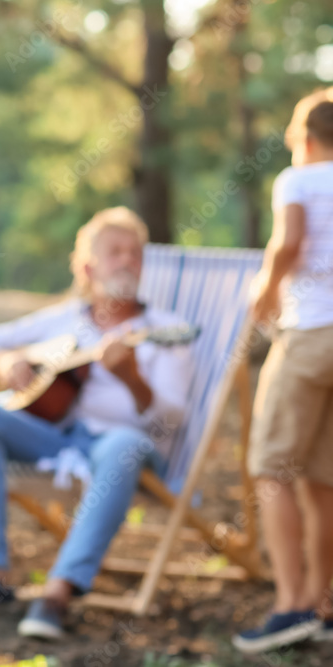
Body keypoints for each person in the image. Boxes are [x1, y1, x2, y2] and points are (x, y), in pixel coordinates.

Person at [0, 207, 195, 640]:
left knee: (124, 445)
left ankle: (58, 591)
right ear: (87, 266)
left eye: (136, 253)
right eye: (115, 251)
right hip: (55, 439)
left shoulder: (165, 330)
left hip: (122, 444)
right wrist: (7, 361)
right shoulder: (65, 319)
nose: (128, 261)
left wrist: (131, 378)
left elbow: (171, 418)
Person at [233, 89, 333, 655]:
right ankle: (323, 604)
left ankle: (291, 604)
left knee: (271, 468)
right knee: (323, 478)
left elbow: (288, 243)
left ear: (305, 140)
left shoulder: (299, 180)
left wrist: (264, 300)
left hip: (310, 334)